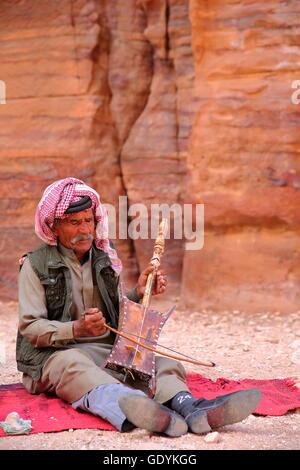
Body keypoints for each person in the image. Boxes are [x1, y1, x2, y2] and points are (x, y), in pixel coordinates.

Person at [16, 177, 262, 437]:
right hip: (53, 357)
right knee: (74, 363)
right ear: (53, 226)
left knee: (159, 363)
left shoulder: (104, 258)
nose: (85, 229)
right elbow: (31, 328)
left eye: (89, 220)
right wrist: (76, 329)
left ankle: (188, 407)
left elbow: (117, 312)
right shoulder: (35, 264)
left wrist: (140, 293)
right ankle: (130, 407)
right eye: (74, 222)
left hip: (105, 350)